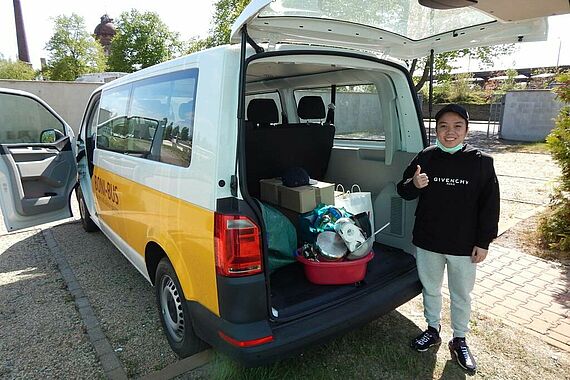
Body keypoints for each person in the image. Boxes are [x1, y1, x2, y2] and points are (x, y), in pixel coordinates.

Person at [396, 103, 500, 374]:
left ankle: (460, 339)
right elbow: (403, 190)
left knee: (461, 294)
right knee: (431, 288)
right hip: (429, 240)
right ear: (436, 129)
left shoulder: (481, 162)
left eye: (457, 126)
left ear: (466, 129)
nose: (449, 132)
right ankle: (432, 329)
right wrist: (413, 185)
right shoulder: (426, 156)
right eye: (443, 126)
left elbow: (491, 206)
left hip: (464, 246)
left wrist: (483, 242)